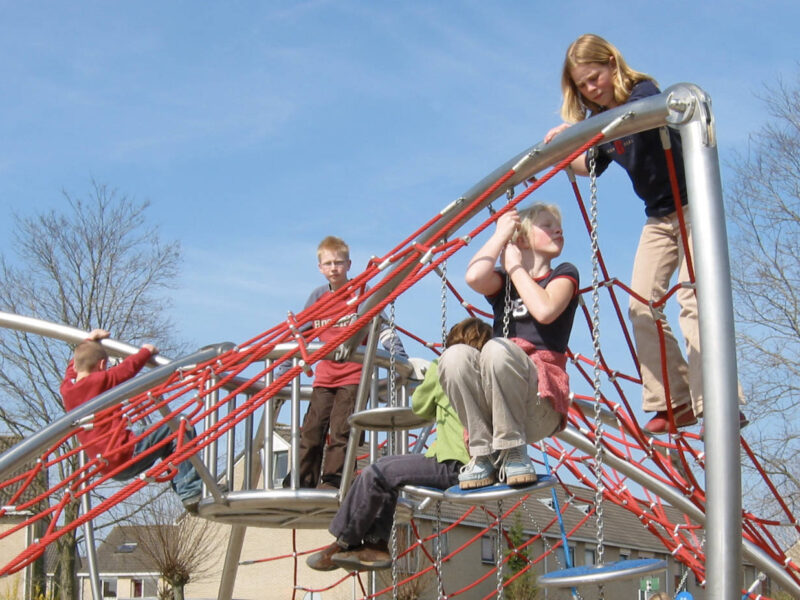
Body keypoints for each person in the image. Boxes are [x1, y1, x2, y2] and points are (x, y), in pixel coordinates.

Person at [544, 33, 745, 435]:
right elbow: (591, 165)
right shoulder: (601, 124)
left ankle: (717, 400)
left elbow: (637, 118)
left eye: (594, 77)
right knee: (640, 303)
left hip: (693, 208)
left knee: (693, 298)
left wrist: (590, 131)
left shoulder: (643, 94)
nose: (591, 89)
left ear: (612, 65)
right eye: (582, 85)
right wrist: (567, 152)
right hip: (658, 218)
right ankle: (674, 400)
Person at [306, 317, 491, 572]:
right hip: (474, 463)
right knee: (386, 474)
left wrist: (424, 376)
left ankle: (344, 541)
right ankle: (375, 545)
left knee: (378, 472)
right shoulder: (488, 374)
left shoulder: (444, 367)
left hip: (455, 464)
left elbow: (420, 406)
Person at [438, 203, 579, 490]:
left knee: (497, 348)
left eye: (557, 224)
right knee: (455, 356)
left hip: (540, 401)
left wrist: (514, 267)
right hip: (497, 403)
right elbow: (474, 277)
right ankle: (482, 453)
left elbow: (545, 310)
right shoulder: (503, 282)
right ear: (522, 239)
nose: (558, 229)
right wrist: (500, 235)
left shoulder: (564, 273)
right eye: (547, 225)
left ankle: (514, 450)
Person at [292, 235, 407, 489]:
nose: (334, 268)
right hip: (325, 375)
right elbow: (301, 335)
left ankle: (335, 479)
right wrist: (287, 366)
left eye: (339, 263)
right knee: (312, 428)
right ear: (320, 268)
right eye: (329, 263)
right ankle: (302, 478)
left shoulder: (362, 294)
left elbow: (382, 327)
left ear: (349, 264)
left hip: (354, 376)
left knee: (342, 429)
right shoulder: (318, 297)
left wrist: (399, 355)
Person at [60, 329, 203, 511]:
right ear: (103, 364)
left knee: (169, 439)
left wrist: (89, 340)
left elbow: (71, 372)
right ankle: (190, 491)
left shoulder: (67, 390)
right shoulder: (101, 380)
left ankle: (185, 485)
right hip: (124, 452)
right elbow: (127, 369)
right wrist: (146, 351)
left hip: (104, 465)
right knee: (180, 425)